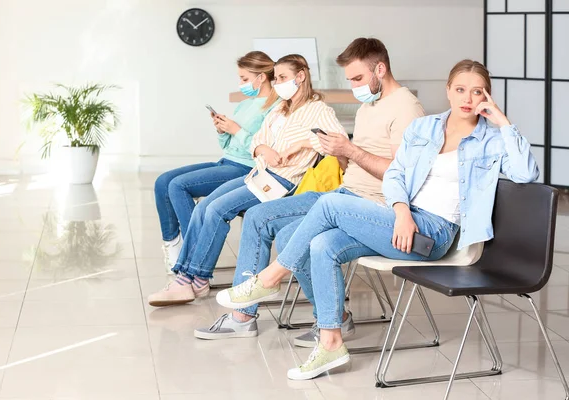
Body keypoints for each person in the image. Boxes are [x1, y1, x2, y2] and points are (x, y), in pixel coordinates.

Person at [217, 59, 540, 380]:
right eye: (460, 89)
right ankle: (330, 342)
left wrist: (502, 121)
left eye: (477, 92)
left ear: (487, 96)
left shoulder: (491, 140)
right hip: (404, 220)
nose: (468, 98)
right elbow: (397, 174)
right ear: (448, 91)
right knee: (323, 243)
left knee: (330, 204)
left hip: (435, 235)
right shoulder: (425, 127)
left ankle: (270, 279)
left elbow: (527, 172)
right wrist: (401, 211)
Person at [193, 38, 424, 341]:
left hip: (372, 204)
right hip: (344, 192)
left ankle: (269, 307)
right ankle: (319, 317)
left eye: (358, 79)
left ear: (380, 69)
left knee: (286, 233)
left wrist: (348, 151)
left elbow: (401, 174)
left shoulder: (406, 107)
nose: (354, 86)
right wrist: (340, 152)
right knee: (259, 217)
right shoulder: (369, 106)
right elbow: (347, 160)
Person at [148, 54, 349, 307]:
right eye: (276, 78)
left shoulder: (319, 109)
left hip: (283, 183)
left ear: (301, 77)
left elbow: (340, 143)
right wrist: (264, 150)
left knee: (218, 210)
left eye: (283, 78)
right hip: (259, 175)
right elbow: (256, 141)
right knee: (205, 206)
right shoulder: (279, 109)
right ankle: (193, 280)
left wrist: (300, 144)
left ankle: (190, 278)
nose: (278, 83)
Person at [153, 51, 279, 275]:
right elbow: (229, 145)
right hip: (227, 161)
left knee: (178, 185)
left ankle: (193, 254)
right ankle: (174, 245)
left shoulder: (275, 108)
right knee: (163, 182)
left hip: (246, 168)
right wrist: (222, 130)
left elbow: (264, 148)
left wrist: (236, 130)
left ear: (261, 77)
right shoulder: (245, 105)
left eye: (244, 78)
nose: (241, 83)